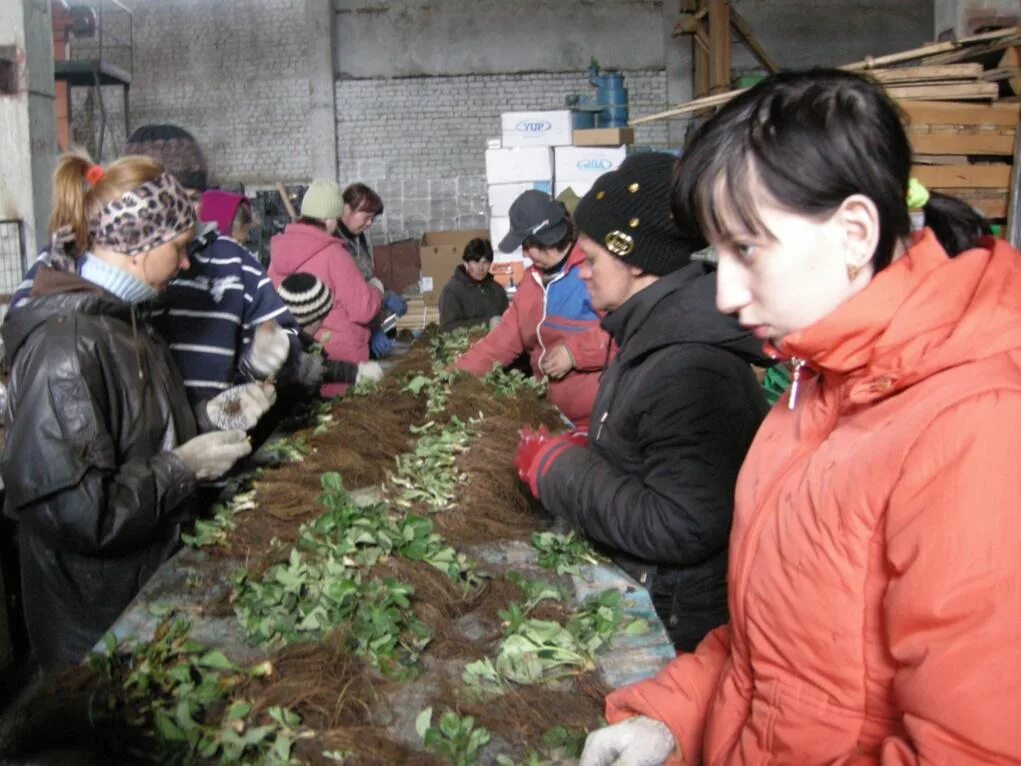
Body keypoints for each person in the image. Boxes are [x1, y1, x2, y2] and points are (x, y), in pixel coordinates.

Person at [579, 69, 1021, 766]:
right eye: (714, 254)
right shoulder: (815, 387)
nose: (723, 293)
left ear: (852, 232)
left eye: (746, 250)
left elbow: (972, 748)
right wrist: (669, 718)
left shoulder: (976, 429)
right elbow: (773, 648)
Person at [1, 152, 275, 668]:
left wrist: (216, 414)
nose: (187, 262)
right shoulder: (67, 349)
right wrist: (182, 468)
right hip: (97, 623)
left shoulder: (126, 324)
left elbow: (142, 432)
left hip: (142, 590)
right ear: (139, 248)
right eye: (179, 249)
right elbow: (80, 512)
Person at [515, 154, 768, 651]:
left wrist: (558, 470)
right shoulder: (650, 334)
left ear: (632, 258)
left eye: (591, 258)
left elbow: (681, 524)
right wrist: (598, 446)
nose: (582, 273)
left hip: (680, 618)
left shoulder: (689, 365)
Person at [453, 190, 611, 427]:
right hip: (551, 416)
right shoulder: (531, 282)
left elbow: (627, 332)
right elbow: (501, 342)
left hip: (600, 418)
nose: (525, 253)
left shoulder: (594, 272)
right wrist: (456, 374)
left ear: (549, 238)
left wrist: (574, 353)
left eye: (528, 245)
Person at [268, 181, 384, 397]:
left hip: (297, 361)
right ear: (331, 218)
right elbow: (363, 309)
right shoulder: (333, 254)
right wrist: (376, 289)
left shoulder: (277, 256)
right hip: (342, 364)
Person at [276, 272, 384, 392]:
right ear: (311, 319)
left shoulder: (301, 340)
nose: (323, 323)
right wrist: (296, 371)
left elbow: (322, 367)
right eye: (322, 317)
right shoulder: (278, 348)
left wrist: (356, 372)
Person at [335, 182, 407, 359]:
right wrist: (372, 330)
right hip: (344, 333)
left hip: (365, 318)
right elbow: (346, 297)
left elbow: (365, 278)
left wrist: (386, 295)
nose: (370, 223)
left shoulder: (358, 238)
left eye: (373, 218)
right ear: (346, 209)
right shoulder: (335, 244)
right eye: (366, 216)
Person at [439, 237, 509, 331]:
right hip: (465, 345)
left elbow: (508, 320)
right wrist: (487, 323)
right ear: (466, 264)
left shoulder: (497, 289)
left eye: (485, 262)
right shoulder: (451, 291)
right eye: (476, 262)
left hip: (497, 344)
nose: (481, 268)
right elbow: (447, 327)